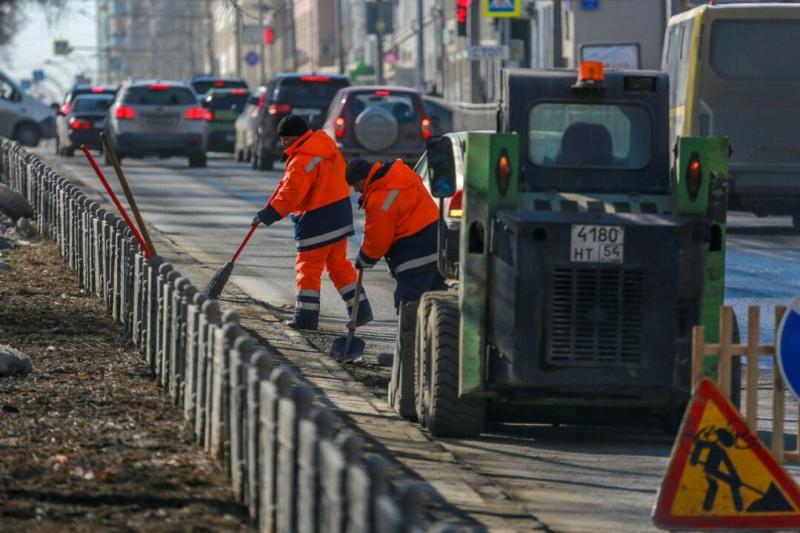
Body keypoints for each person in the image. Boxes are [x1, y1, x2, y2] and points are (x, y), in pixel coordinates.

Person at [252, 115, 373, 330]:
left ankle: (305, 317)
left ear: (291, 137)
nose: (282, 143)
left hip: (318, 219)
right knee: (338, 265)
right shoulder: (325, 146)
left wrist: (268, 214)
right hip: (339, 216)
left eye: (284, 138)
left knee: (308, 267)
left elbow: (292, 194)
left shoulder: (302, 159)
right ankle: (360, 309)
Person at [345, 158, 447, 310]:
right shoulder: (401, 173)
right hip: (440, 240)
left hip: (414, 252)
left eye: (355, 185)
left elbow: (378, 239)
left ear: (363, 179)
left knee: (408, 301)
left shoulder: (378, 199)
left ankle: (410, 334)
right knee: (439, 299)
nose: (355, 190)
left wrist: (365, 258)